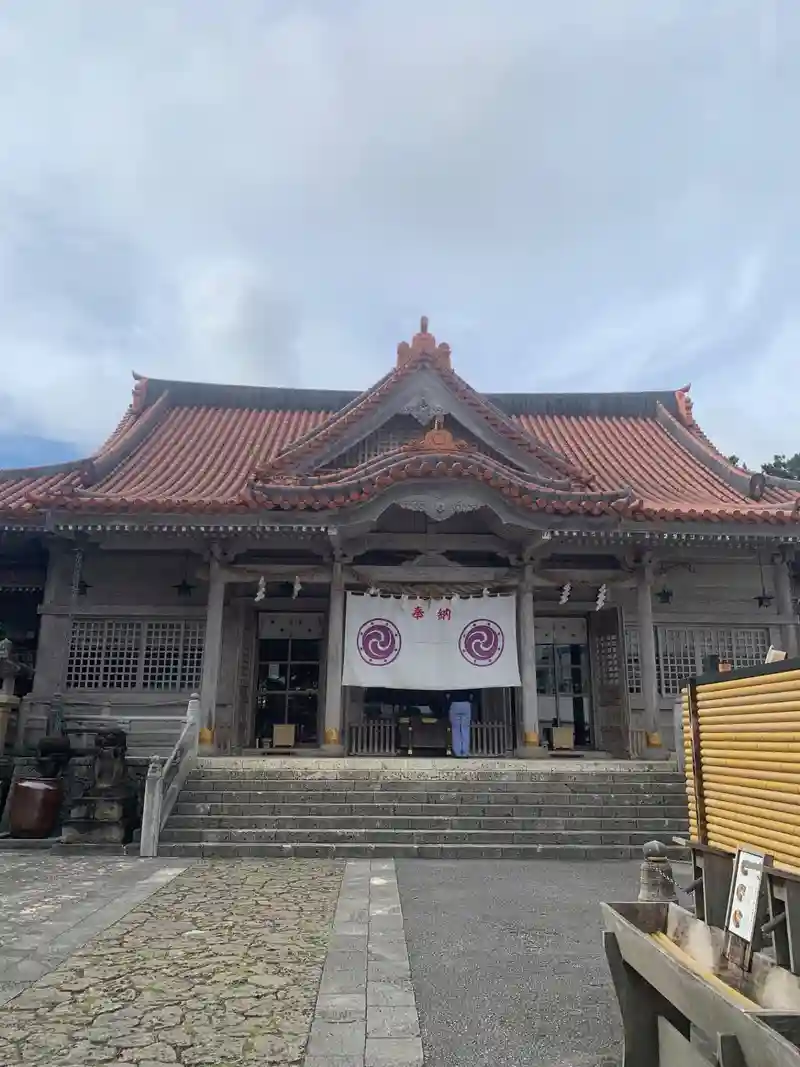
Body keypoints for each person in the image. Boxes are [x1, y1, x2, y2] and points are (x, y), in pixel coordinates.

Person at [448, 690, 473, 758]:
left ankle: (457, 752)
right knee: (465, 728)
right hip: (466, 702)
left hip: (454, 702)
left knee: (455, 729)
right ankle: (465, 751)